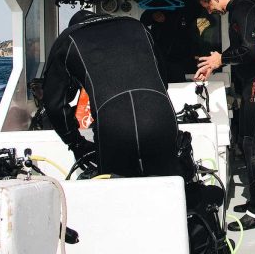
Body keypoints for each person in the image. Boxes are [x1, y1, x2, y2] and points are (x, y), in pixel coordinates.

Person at [42, 10, 180, 178]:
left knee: (118, 194)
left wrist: (75, 143)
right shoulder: (137, 26)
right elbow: (162, 79)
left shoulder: (68, 38)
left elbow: (54, 105)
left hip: (114, 127)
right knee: (168, 188)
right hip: (160, 118)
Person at [194, 0, 255, 231]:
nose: (209, 11)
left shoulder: (243, 9)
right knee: (246, 140)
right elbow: (240, 49)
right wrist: (215, 63)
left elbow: (251, 49)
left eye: (208, 5)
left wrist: (221, 59)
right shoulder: (237, 11)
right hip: (253, 80)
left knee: (252, 143)